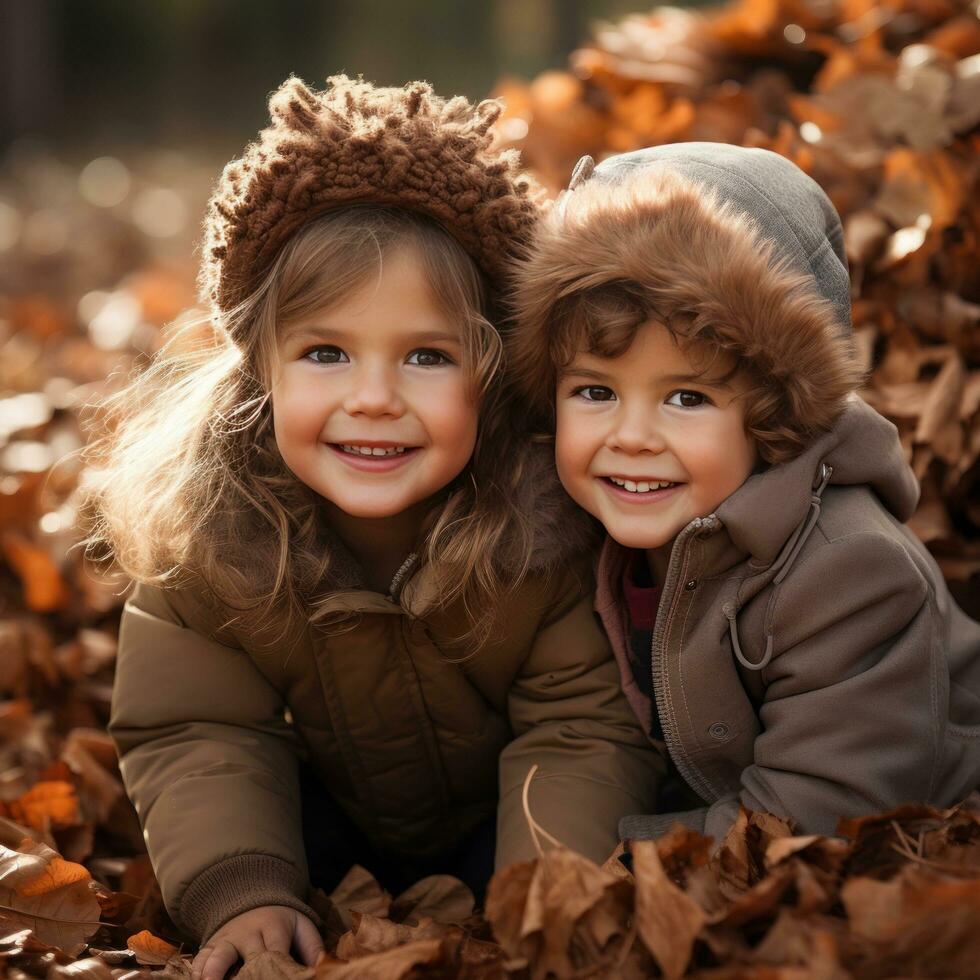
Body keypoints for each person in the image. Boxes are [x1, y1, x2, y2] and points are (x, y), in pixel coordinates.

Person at [79, 76, 661, 975]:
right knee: (260, 827)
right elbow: (197, 726)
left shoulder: (544, 526)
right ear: (260, 363)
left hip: (495, 825)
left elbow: (580, 729)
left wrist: (540, 899)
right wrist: (243, 887)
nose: (375, 399)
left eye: (427, 356)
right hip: (320, 836)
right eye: (326, 353)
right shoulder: (216, 529)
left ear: (493, 369)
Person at [508, 142, 980, 848]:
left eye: (688, 397)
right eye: (596, 391)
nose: (631, 437)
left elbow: (823, 809)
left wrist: (618, 859)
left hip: (882, 839)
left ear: (773, 416)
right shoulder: (588, 526)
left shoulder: (849, 572)